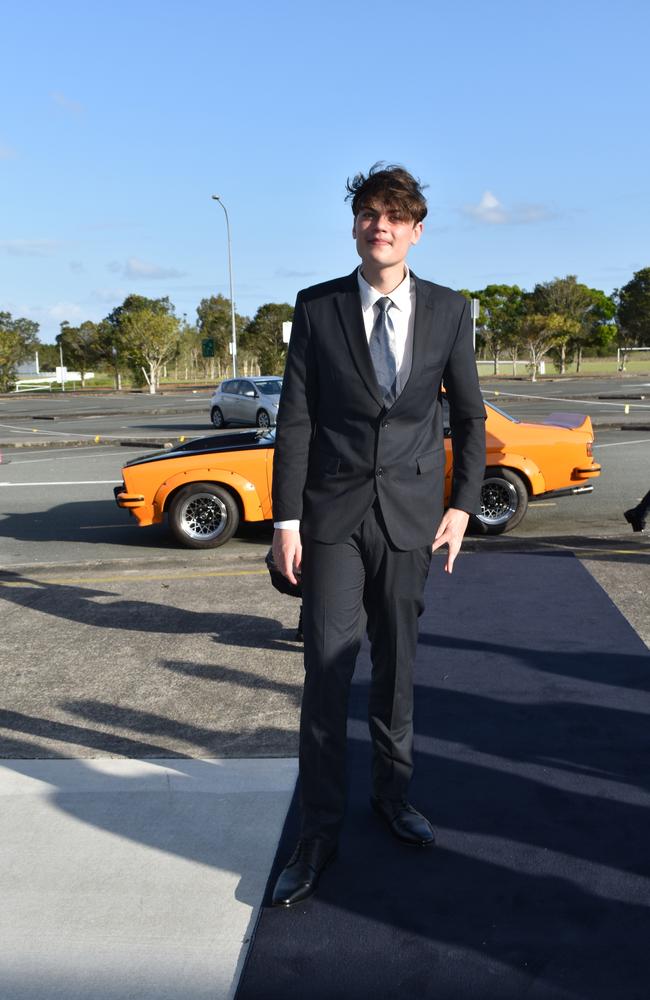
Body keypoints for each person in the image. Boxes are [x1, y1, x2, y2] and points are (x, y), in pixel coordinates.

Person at [270, 164, 486, 907]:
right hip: (330, 518)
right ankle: (318, 831)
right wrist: (285, 521)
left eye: (395, 216)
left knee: (396, 666)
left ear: (416, 230)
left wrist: (461, 507)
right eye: (369, 213)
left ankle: (392, 798)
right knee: (327, 670)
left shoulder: (452, 311)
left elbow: (471, 419)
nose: (380, 226)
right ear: (356, 226)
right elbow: (295, 418)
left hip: (413, 519)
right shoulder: (318, 307)